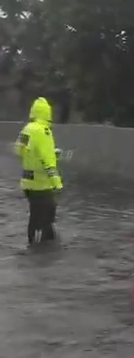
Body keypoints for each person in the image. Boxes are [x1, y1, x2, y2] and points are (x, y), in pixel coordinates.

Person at [14, 97, 63, 246]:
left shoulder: (27, 129)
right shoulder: (44, 132)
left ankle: (32, 245)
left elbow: (19, 150)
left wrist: (45, 155)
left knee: (35, 217)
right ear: (47, 113)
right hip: (42, 185)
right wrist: (57, 184)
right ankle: (41, 252)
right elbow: (48, 161)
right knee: (47, 218)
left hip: (28, 183)